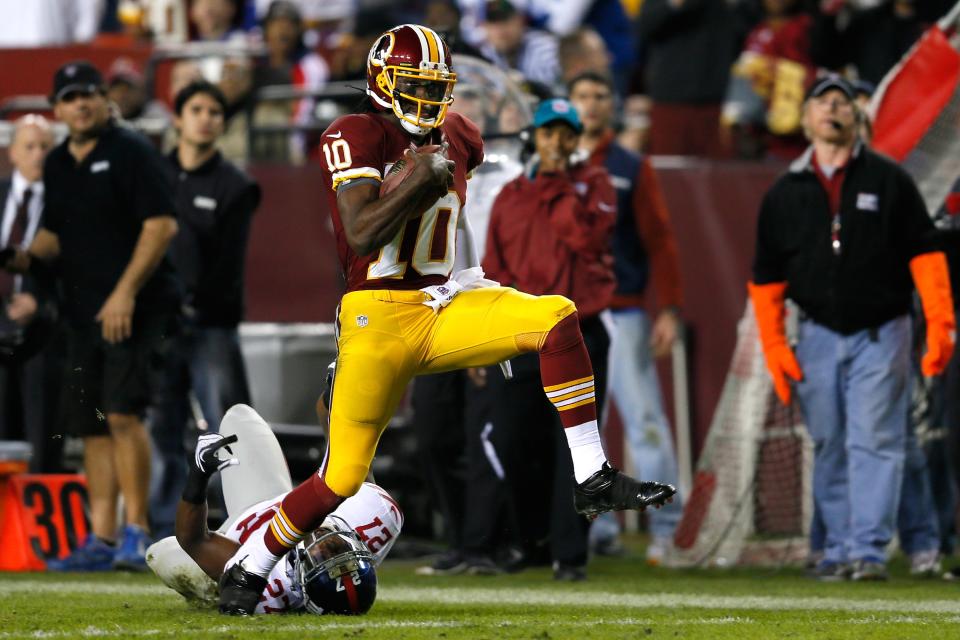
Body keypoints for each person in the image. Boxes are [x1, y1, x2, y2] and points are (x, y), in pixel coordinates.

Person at [217, 24, 675, 615]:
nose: (429, 99)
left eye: (436, 86)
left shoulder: (459, 134)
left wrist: (469, 271)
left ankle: (593, 475)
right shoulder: (354, 132)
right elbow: (359, 232)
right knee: (342, 478)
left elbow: (456, 210)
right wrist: (412, 183)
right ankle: (250, 565)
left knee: (558, 319)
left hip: (441, 302)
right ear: (383, 82)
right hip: (376, 318)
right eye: (414, 84)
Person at [749, 75, 955, 581]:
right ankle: (839, 549)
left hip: (881, 331)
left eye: (842, 102)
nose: (833, 110)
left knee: (876, 440)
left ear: (857, 117)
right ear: (805, 119)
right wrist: (774, 343)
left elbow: (926, 255)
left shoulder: (889, 181)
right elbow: (766, 276)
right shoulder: (785, 193)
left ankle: (867, 550)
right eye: (823, 102)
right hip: (816, 331)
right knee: (831, 442)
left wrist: (941, 323)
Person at [5, 61, 181, 571]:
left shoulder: (131, 151)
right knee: (92, 425)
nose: (81, 103)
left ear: (104, 99)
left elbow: (161, 226)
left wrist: (124, 294)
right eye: (70, 96)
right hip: (82, 312)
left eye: (89, 94)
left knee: (123, 414)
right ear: (57, 108)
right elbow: (54, 236)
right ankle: (101, 539)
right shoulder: (59, 162)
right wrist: (18, 257)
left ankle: (138, 530)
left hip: (136, 308)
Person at [481, 97, 616, 581]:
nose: (557, 142)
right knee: (514, 441)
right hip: (520, 337)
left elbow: (586, 240)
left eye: (565, 133)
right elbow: (494, 270)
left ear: (577, 140)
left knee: (574, 446)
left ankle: (570, 554)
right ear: (533, 138)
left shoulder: (596, 185)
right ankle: (534, 537)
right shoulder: (510, 196)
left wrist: (558, 188)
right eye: (548, 132)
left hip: (579, 333)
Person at [568, 71, 685, 564]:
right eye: (582, 97)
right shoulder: (557, 161)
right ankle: (596, 531)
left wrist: (671, 308)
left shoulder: (630, 165)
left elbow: (660, 239)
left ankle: (666, 530)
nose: (591, 106)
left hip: (624, 310)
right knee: (582, 429)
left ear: (611, 105)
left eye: (599, 96)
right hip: (571, 314)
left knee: (645, 423)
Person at [147, 404, 401, 614]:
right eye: (340, 546)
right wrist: (336, 403)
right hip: (269, 496)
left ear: (299, 576)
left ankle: (215, 588)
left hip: (241, 537)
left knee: (163, 555)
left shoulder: (270, 584)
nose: (324, 536)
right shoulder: (378, 516)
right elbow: (349, 461)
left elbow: (194, 540)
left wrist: (198, 476)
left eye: (322, 554)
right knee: (240, 416)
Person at [149, 80, 261, 538]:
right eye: (196, 109)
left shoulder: (236, 185)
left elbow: (226, 266)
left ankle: (243, 523)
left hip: (211, 323)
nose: (205, 118)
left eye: (215, 112)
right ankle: (164, 527)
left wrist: (192, 303)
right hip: (160, 323)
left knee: (227, 427)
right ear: (178, 118)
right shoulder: (154, 175)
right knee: (162, 425)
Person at [0, 115, 58, 472]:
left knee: (41, 428)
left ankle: (38, 512)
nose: (38, 155)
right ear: (12, 153)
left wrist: (41, 301)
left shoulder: (66, 203)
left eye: (45, 148)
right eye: (30, 147)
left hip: (45, 327)